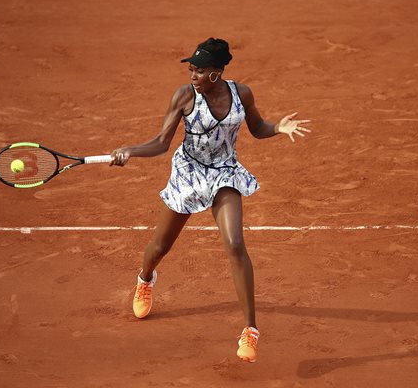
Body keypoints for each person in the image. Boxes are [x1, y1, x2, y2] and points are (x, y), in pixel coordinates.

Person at [109, 38, 311, 363]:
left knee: (234, 244)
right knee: (160, 247)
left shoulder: (241, 94)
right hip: (188, 172)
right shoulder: (185, 96)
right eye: (190, 69)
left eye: (199, 71)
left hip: (224, 173)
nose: (192, 76)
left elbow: (257, 127)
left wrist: (278, 127)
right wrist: (130, 151)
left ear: (216, 74)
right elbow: (162, 142)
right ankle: (145, 278)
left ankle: (250, 331)